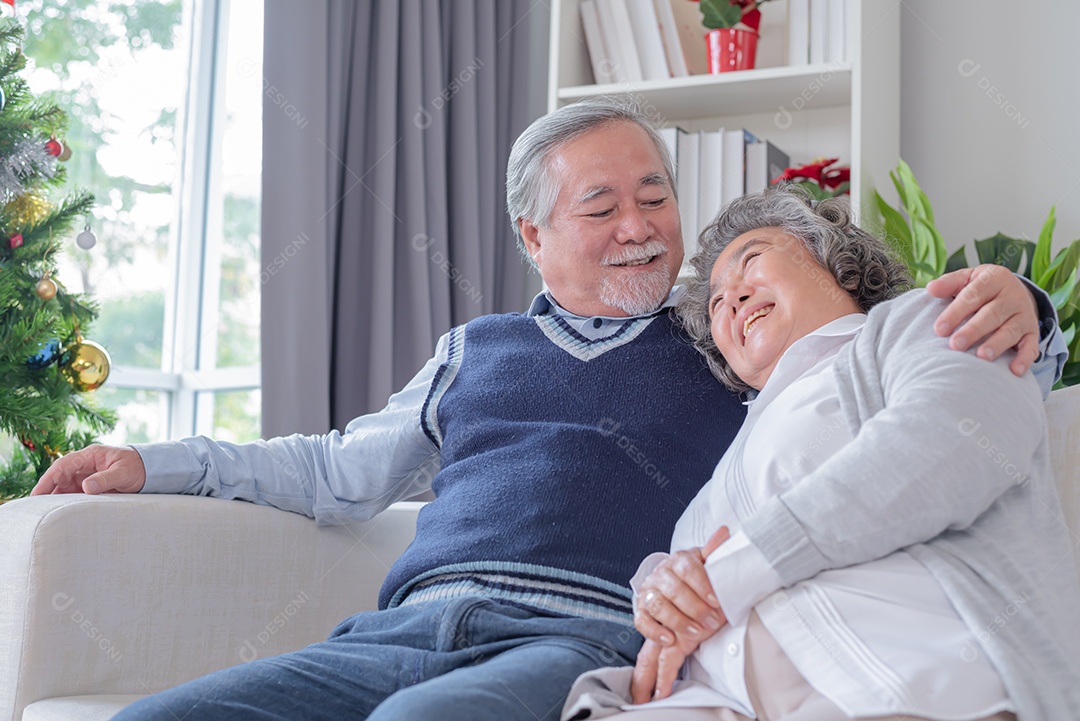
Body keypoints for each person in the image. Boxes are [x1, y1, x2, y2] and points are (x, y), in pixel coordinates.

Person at [31, 98, 1066, 721]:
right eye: (601, 206)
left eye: (656, 197)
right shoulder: (475, 351)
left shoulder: (724, 343)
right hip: (400, 626)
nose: (640, 227)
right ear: (534, 233)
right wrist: (157, 464)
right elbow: (331, 471)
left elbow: (880, 361)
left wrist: (1034, 309)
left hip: (574, 639)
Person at [562, 187, 1079, 721]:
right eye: (716, 301)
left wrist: (735, 571)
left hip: (919, 692)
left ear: (837, 265)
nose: (732, 296)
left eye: (753, 260)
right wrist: (662, 592)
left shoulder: (917, 326)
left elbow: (951, 444)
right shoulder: (714, 484)